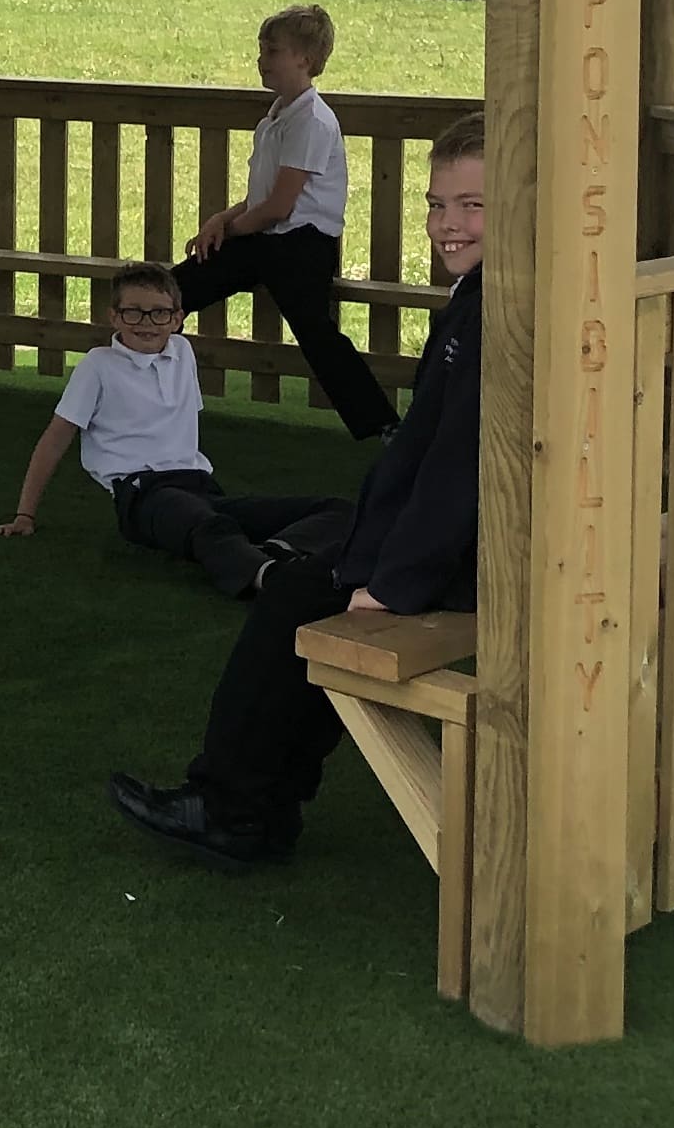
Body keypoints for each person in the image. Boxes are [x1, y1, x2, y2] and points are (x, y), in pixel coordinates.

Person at [114, 114, 488, 869]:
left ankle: (235, 809)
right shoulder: (481, 298)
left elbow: (463, 468)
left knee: (298, 598)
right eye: (436, 203)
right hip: (447, 540)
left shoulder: (499, 315)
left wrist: (389, 584)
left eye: (473, 205)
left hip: (476, 561)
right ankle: (256, 808)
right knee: (307, 577)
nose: (448, 224)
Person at [174, 3, 395, 440]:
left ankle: (382, 425)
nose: (262, 59)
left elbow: (281, 207)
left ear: (305, 61)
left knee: (316, 334)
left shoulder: (312, 120)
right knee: (174, 291)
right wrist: (221, 219)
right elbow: (262, 199)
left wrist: (230, 231)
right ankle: (147, 387)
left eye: (272, 51)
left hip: (302, 245)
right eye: (261, 49)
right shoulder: (276, 116)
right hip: (263, 236)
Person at [0, 265, 268, 592]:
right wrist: (25, 515)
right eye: (133, 313)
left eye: (159, 313)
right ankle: (268, 577)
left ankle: (285, 552)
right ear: (114, 317)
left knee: (329, 510)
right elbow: (55, 438)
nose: (146, 323)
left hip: (200, 485)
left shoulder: (183, 352)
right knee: (206, 524)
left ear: (177, 319)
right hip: (142, 491)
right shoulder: (98, 365)